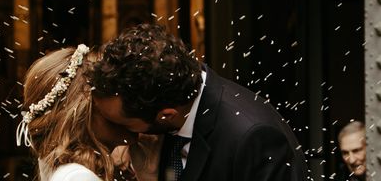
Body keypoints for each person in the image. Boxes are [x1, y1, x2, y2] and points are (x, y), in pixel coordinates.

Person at [87, 23, 309, 181]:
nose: (121, 136)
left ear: (166, 115)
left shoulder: (252, 138)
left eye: (122, 124)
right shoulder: (167, 122)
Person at [16, 44, 145, 181]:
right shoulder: (78, 177)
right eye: (110, 94)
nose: (126, 105)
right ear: (83, 111)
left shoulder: (68, 169)